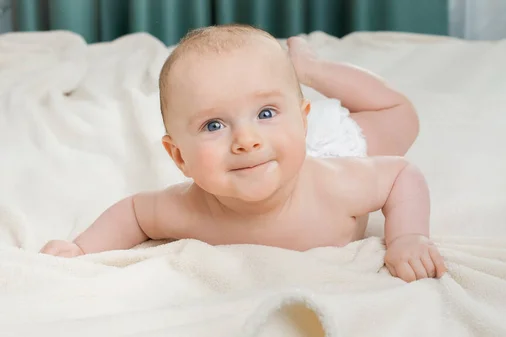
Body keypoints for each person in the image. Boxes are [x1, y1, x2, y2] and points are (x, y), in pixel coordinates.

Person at [40, 24, 447, 283]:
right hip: (285, 142)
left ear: (302, 121)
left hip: (329, 148)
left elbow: (401, 175)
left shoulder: (338, 185)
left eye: (264, 112)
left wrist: (408, 237)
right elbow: (132, 213)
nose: (246, 140)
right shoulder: (184, 209)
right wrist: (81, 249)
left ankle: (311, 69)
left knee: (400, 117)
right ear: (179, 156)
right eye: (213, 125)